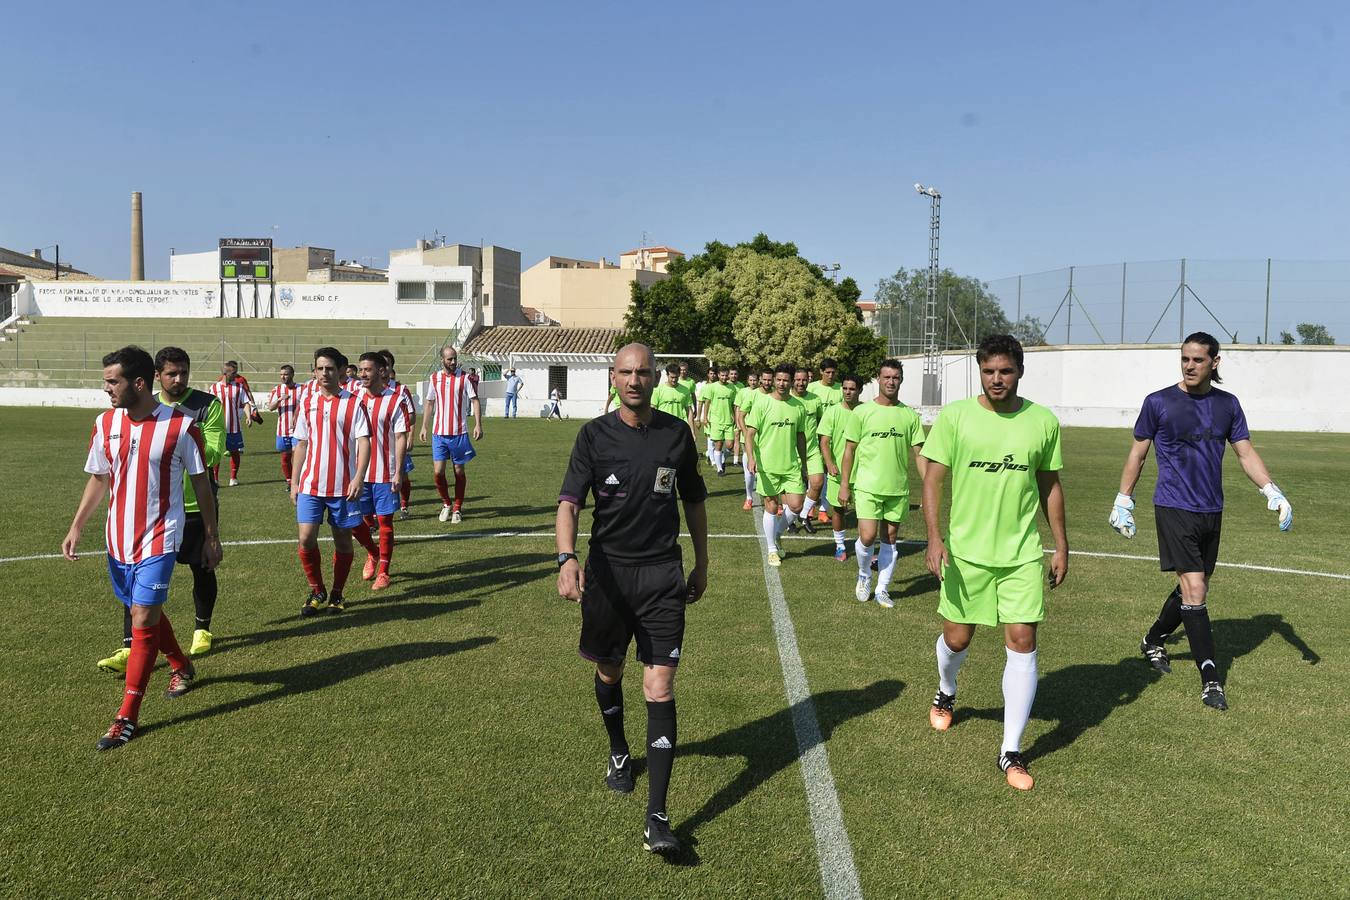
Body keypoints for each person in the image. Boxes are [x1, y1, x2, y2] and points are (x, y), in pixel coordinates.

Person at [556, 342, 708, 857]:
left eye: (643, 372)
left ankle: (657, 817)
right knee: (610, 670)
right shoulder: (593, 435)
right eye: (626, 372)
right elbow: (570, 503)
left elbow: (694, 501)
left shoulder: (676, 434)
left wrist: (702, 562)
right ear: (613, 377)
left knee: (660, 686)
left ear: (656, 377)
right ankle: (619, 749)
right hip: (608, 576)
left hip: (662, 575)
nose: (635, 380)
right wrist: (566, 558)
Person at [1111, 331, 1293, 711]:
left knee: (1194, 587)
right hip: (1173, 506)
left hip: (1211, 509)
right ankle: (1211, 680)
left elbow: (1245, 453)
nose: (1189, 366)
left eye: (1197, 360)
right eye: (1185, 359)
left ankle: (1153, 639)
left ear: (1215, 362)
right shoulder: (1158, 402)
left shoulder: (1228, 405)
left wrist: (1272, 491)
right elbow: (1138, 454)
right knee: (1195, 589)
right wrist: (1123, 500)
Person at [920, 335, 1067, 792]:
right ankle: (947, 690)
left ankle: (1011, 750)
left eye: (1005, 371)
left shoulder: (1042, 422)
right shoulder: (956, 417)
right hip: (966, 554)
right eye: (988, 371)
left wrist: (1061, 544)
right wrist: (934, 537)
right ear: (980, 372)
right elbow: (932, 480)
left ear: (1019, 371)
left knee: (1023, 641)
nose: (996, 379)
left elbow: (1050, 486)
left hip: (1021, 554)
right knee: (957, 638)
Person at [63, 346, 222, 751]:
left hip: (160, 538)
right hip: (118, 539)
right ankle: (181, 665)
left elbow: (202, 482)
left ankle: (126, 716)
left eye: (112, 381)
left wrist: (211, 536)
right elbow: (99, 477)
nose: (106, 388)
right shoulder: (105, 423)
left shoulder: (181, 426)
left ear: (137, 383)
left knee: (143, 617)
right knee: (141, 612)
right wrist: (77, 525)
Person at [94, 347, 226, 673]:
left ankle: (202, 628)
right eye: (171, 373)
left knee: (202, 569)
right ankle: (131, 646)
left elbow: (213, 453)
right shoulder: (140, 406)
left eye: (184, 373)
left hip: (193, 507)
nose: (179, 379)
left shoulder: (205, 406)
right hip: (151, 515)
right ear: (156, 376)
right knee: (139, 589)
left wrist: (181, 437)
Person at [839, 360, 927, 608]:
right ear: (878, 379)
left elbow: (920, 454)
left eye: (895, 377)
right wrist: (845, 484)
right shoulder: (862, 412)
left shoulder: (909, 416)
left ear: (901, 380)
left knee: (890, 538)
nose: (891, 381)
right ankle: (864, 575)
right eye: (886, 377)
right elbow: (849, 450)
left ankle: (882, 589)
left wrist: (928, 487)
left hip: (897, 488)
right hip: (867, 486)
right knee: (867, 536)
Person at [291, 347, 371, 616]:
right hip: (310, 485)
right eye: (320, 368)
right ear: (314, 371)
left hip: (343, 487)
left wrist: (358, 477)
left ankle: (337, 593)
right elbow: (301, 443)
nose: (324, 373)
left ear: (340, 371)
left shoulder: (354, 403)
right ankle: (317, 590)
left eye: (330, 368)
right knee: (305, 538)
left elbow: (364, 442)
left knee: (343, 542)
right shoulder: (307, 402)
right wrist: (294, 481)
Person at [353, 352, 409, 591]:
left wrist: (398, 472)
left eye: (368, 370)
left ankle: (384, 571)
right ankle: (372, 552)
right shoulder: (354, 398)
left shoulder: (395, 400)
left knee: (385, 522)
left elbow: (400, 437)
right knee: (357, 521)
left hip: (385, 471)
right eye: (361, 370)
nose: (363, 374)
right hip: (358, 473)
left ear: (381, 371)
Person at [744, 363, 809, 568]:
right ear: (773, 380)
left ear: (791, 382)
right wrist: (751, 458)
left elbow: (801, 437)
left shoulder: (798, 406)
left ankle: (777, 533)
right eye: (778, 379)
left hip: (791, 465)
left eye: (785, 380)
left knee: (797, 505)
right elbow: (750, 434)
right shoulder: (762, 403)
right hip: (767, 465)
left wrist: (804, 464)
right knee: (771, 506)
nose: (781, 383)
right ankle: (772, 549)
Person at [418, 346, 482, 524]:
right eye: (449, 359)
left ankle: (457, 508)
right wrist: (424, 427)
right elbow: (429, 402)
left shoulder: (464, 378)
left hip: (459, 432)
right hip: (439, 433)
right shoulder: (434, 378)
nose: (453, 362)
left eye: (455, 358)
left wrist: (478, 424)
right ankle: (446, 503)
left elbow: (474, 400)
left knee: (459, 471)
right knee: (438, 472)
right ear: (442, 360)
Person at [817, 373, 863, 562]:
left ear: (860, 390)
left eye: (852, 389)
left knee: (866, 514)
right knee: (838, 510)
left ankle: (864, 548)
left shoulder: (866, 411)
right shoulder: (832, 412)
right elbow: (824, 442)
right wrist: (829, 463)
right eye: (844, 388)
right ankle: (840, 546)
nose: (847, 392)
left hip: (863, 473)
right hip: (838, 474)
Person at [379, 350, 418, 519]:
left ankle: (404, 506)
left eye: (387, 365)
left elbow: (412, 415)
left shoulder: (401, 389)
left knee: (402, 474)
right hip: (378, 442)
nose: (383, 368)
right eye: (380, 365)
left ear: (391, 367)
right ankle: (377, 512)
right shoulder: (367, 389)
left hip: (397, 441)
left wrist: (406, 431)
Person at [807, 357, 844, 523]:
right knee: (815, 473)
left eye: (833, 372)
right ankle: (810, 507)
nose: (830, 375)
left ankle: (823, 510)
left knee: (831, 471)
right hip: (814, 436)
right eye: (827, 372)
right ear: (821, 372)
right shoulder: (812, 388)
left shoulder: (840, 389)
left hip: (834, 438)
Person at [790, 368, 826, 532]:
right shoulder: (787, 399)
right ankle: (789, 521)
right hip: (791, 452)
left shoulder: (815, 399)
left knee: (818, 483)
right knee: (792, 491)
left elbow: (821, 423)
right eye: (798, 379)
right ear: (793, 380)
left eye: (804, 380)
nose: (801, 383)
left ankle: (804, 515)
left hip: (812, 451)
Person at [210, 365, 256, 486]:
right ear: (226, 373)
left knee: (235, 452)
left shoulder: (239, 387)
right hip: (218, 427)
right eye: (233, 373)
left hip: (234, 426)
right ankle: (215, 479)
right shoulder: (214, 388)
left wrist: (248, 416)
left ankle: (233, 478)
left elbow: (245, 403)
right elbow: (209, 406)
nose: (236, 375)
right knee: (216, 453)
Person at [700, 367, 738, 476]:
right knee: (719, 445)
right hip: (716, 421)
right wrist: (705, 417)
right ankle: (720, 469)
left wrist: (735, 417)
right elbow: (707, 402)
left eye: (726, 375)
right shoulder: (712, 387)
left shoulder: (732, 388)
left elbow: (734, 405)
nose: (724, 377)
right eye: (722, 375)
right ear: (718, 375)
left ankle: (721, 460)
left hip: (728, 421)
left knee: (730, 445)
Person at [733, 372, 762, 509]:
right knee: (749, 468)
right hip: (750, 435)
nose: (753, 382)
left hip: (767, 438)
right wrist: (744, 431)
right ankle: (749, 497)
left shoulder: (773, 395)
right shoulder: (747, 393)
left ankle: (774, 498)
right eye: (751, 380)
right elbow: (740, 413)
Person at [268, 365, 300, 487]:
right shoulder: (277, 389)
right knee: (285, 458)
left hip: (298, 431)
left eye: (285, 374)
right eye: (281, 374)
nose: (283, 377)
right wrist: (280, 399)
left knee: (298, 457)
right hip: (282, 430)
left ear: (292, 375)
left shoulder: (302, 389)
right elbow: (270, 407)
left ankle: (298, 481)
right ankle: (290, 482)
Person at [652, 362, 696, 430]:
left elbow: (689, 411)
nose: (674, 380)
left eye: (676, 377)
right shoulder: (658, 390)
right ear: (667, 375)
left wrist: (692, 431)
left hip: (678, 427)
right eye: (672, 377)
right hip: (663, 427)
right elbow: (653, 409)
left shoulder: (685, 390)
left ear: (679, 375)